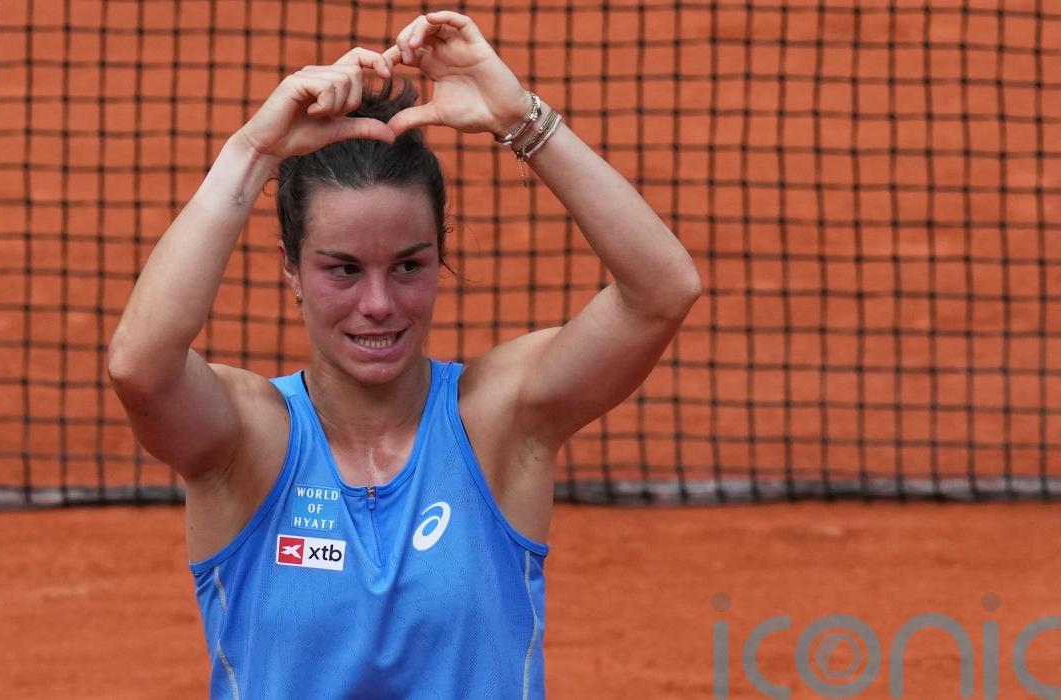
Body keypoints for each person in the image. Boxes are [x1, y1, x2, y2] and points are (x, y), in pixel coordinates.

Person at [107, 10, 701, 698]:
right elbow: (139, 368)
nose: (379, 303)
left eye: (409, 266)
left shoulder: (501, 422)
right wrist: (252, 149)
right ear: (291, 268)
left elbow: (663, 291)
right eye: (343, 269)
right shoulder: (246, 442)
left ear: (440, 255)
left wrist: (520, 118)